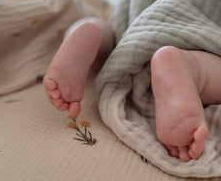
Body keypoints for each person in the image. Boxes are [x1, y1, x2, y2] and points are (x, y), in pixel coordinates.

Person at [43, 9, 221, 164]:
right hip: (204, 22)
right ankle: (191, 66)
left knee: (112, 32)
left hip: (142, 16)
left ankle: (91, 29)